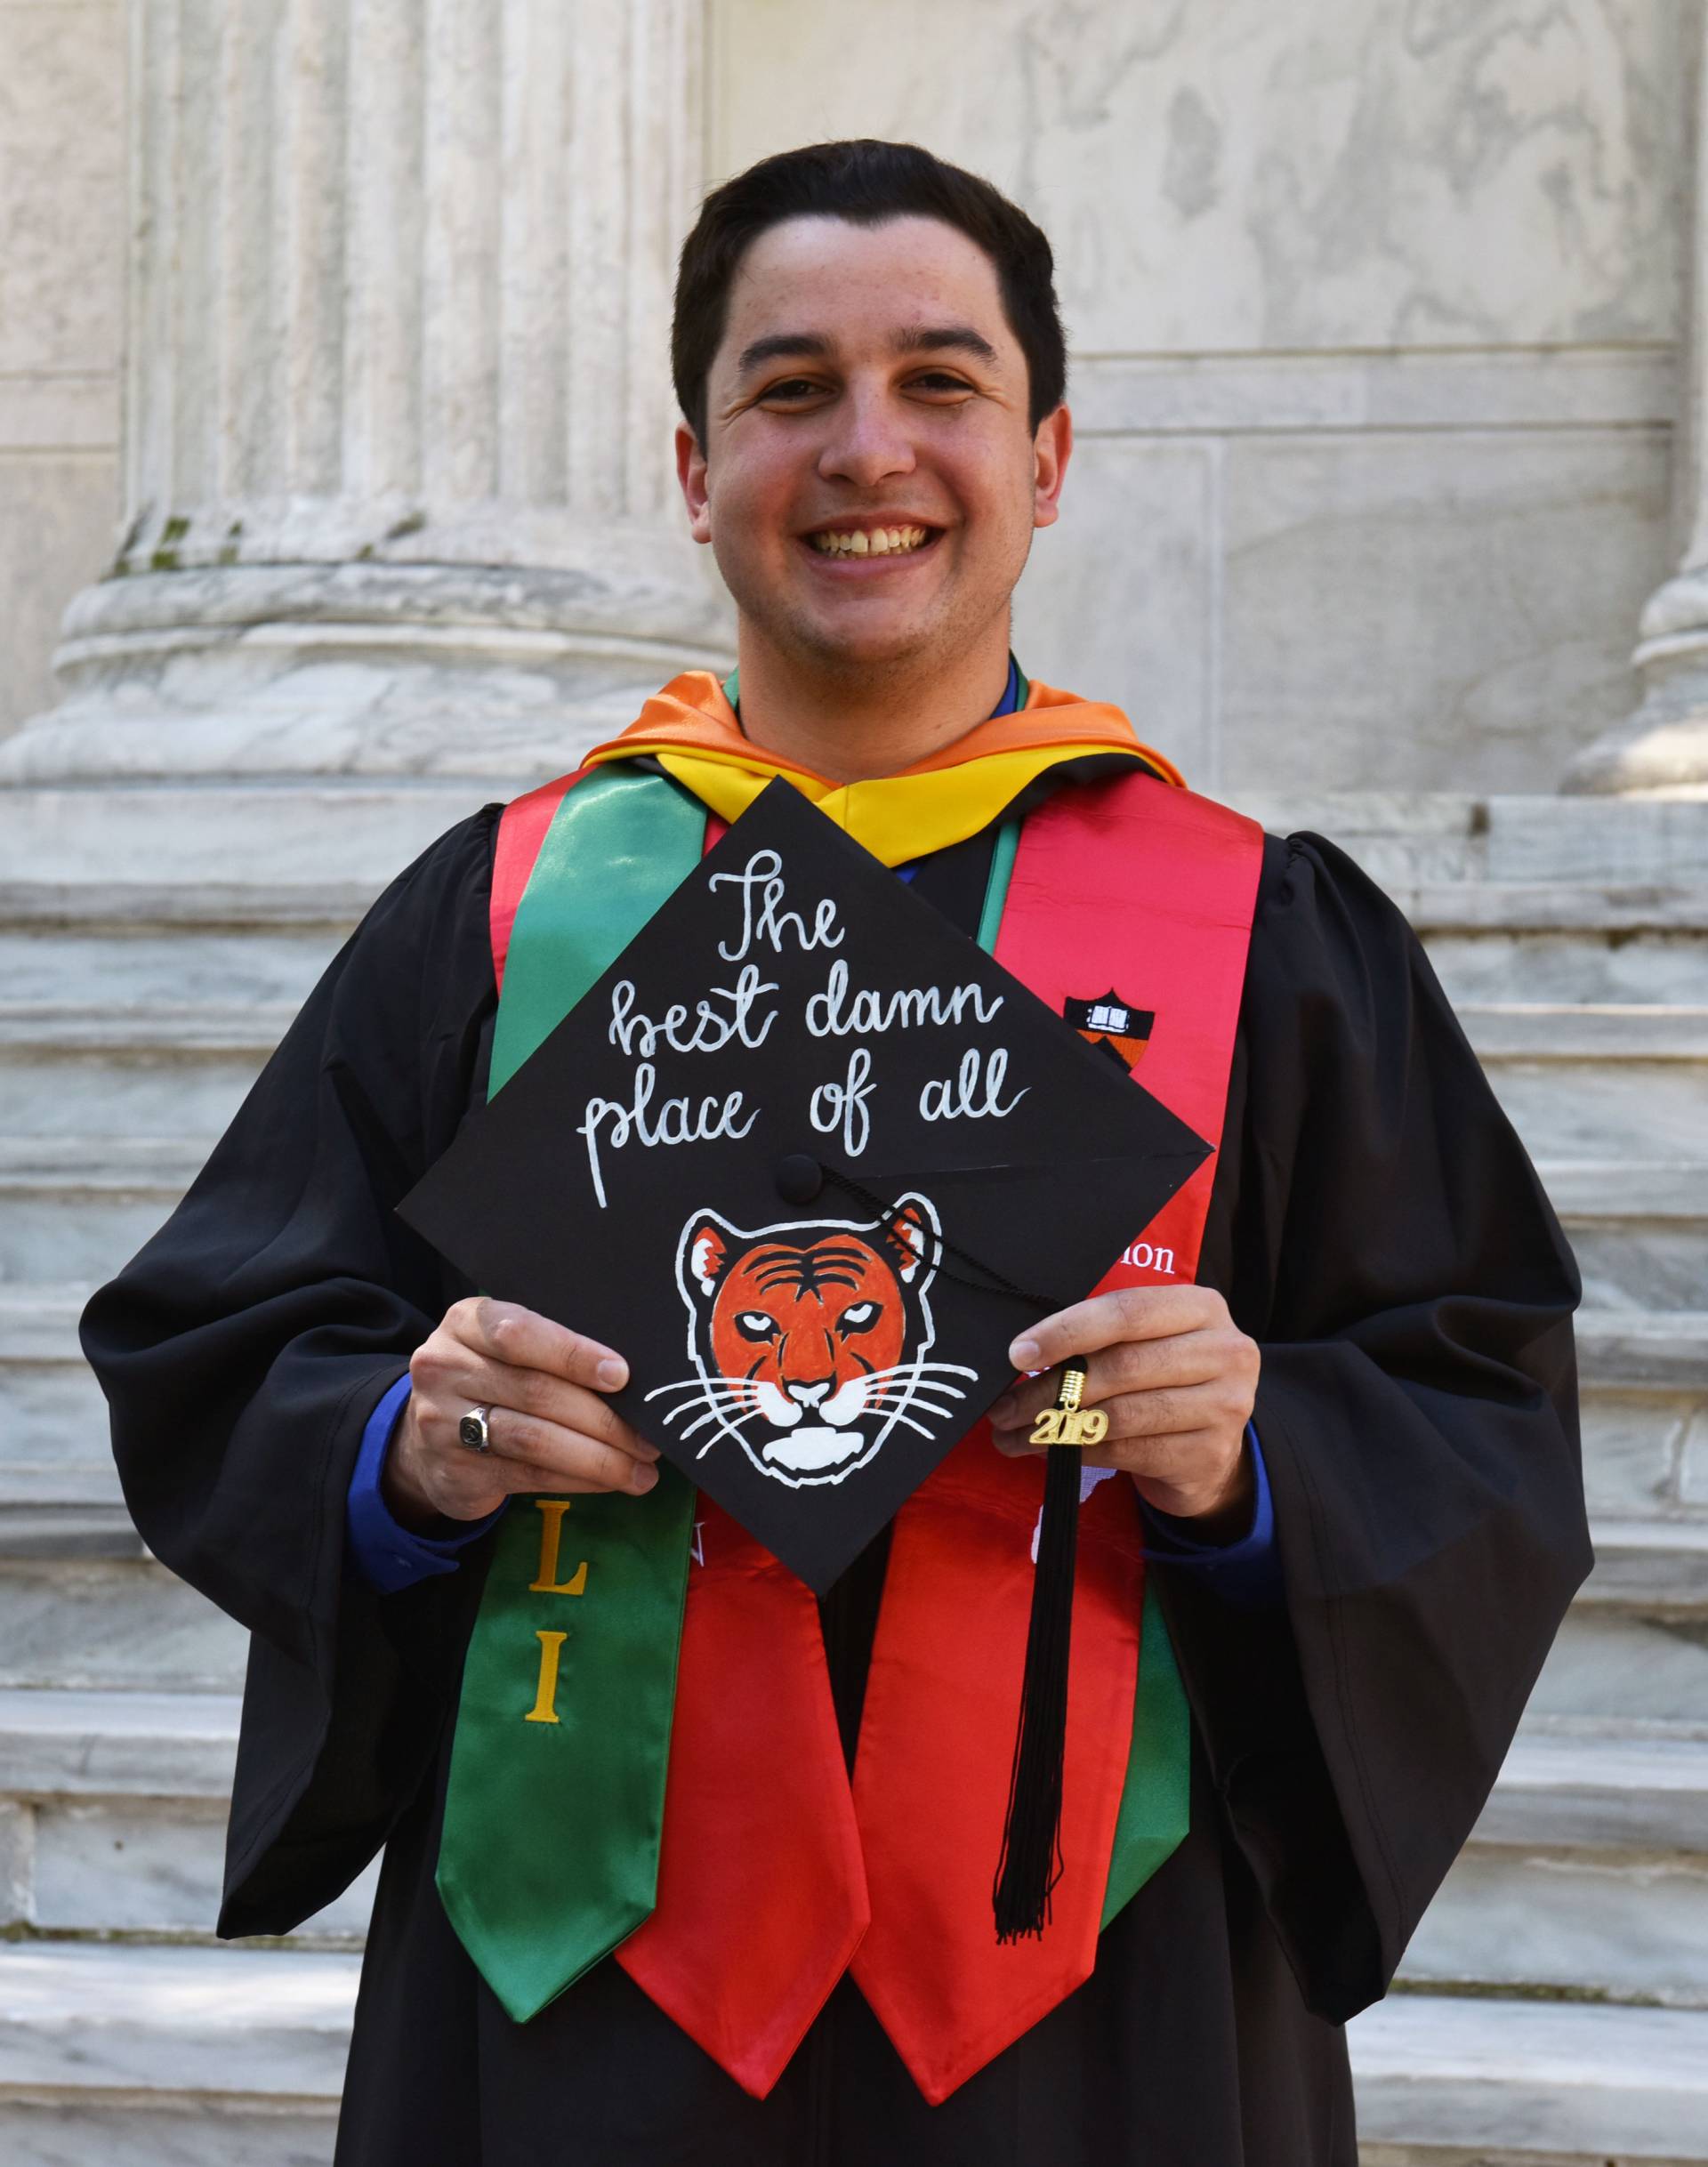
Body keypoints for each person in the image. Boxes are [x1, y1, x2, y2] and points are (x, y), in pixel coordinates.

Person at [81, 140, 1591, 2165]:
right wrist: (411, 1450)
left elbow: (1472, 1397)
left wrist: (1256, 1462)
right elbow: (227, 1339)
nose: (867, 449)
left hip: (1095, 2009)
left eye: (941, 384)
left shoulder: (1258, 933)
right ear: (695, 471)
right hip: (579, 2007)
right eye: (789, 391)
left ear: (1048, 457)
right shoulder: (512, 915)